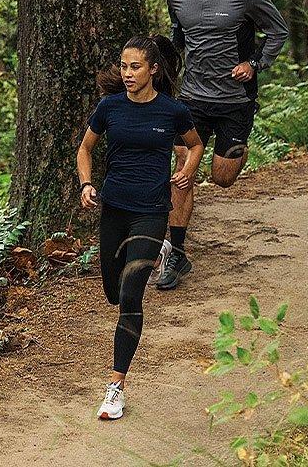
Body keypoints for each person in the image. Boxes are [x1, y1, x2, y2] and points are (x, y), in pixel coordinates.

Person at [76, 35, 204, 420]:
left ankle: (115, 386)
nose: (127, 74)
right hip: (114, 207)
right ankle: (156, 253)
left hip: (151, 210)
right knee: (113, 292)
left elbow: (195, 145)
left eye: (135, 67)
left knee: (131, 296)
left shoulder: (172, 111)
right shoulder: (109, 107)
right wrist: (85, 183)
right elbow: (85, 149)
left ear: (153, 70)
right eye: (123, 66)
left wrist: (186, 171)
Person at [160, 0, 290, 290]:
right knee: (183, 172)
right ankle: (178, 254)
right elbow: (177, 40)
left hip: (235, 100)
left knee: (222, 177)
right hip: (192, 98)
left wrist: (255, 64)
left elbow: (278, 32)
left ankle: (233, 150)